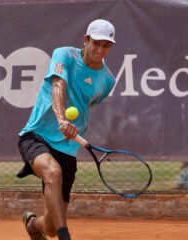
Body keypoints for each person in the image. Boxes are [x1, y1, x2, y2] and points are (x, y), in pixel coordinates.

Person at [16, 19, 116, 240]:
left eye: (106, 45)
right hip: (37, 136)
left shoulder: (108, 80)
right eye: (96, 43)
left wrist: (72, 128)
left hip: (68, 147)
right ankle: (66, 236)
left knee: (49, 228)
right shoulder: (64, 55)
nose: (100, 50)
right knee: (53, 172)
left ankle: (33, 225)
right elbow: (58, 85)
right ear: (86, 40)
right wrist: (61, 119)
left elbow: (87, 105)